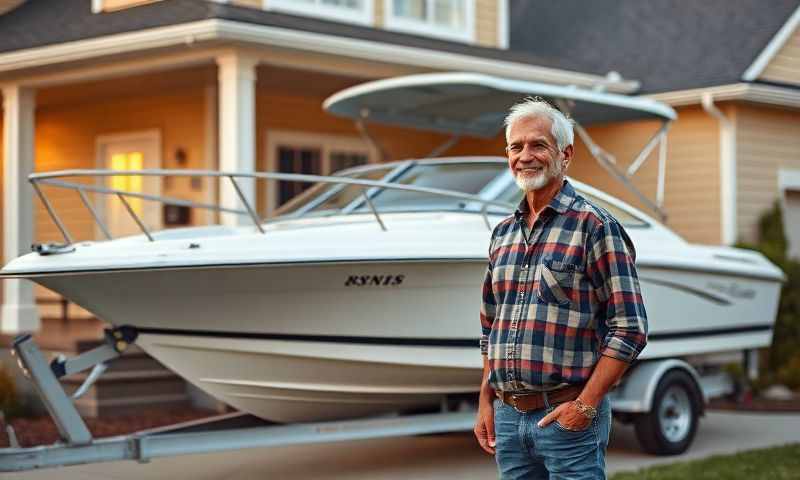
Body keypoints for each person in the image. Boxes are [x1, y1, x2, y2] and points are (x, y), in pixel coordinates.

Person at [474, 97, 648, 480]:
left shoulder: (596, 227)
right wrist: (486, 401)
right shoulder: (502, 234)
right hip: (508, 417)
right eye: (516, 147)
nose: (525, 156)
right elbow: (491, 327)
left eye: (538, 145)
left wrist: (585, 406)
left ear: (565, 154)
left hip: (567, 417)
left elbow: (630, 329)